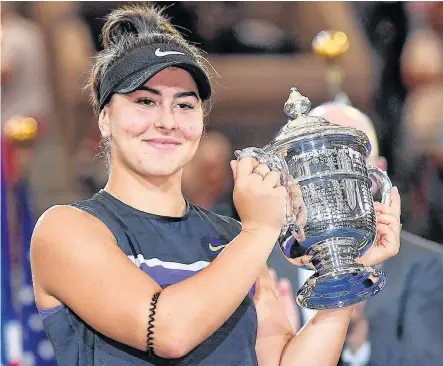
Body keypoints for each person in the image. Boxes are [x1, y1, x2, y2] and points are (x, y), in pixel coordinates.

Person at [30, 4, 401, 365]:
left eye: (185, 105)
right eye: (145, 101)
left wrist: (345, 275)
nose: (166, 121)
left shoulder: (235, 240)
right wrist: (258, 230)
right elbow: (167, 331)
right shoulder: (67, 229)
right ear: (105, 119)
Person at [268, 102, 443, 366]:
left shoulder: (426, 265)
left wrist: (357, 344)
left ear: (375, 173)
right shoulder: (264, 266)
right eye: (317, 164)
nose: (331, 179)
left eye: (348, 160)